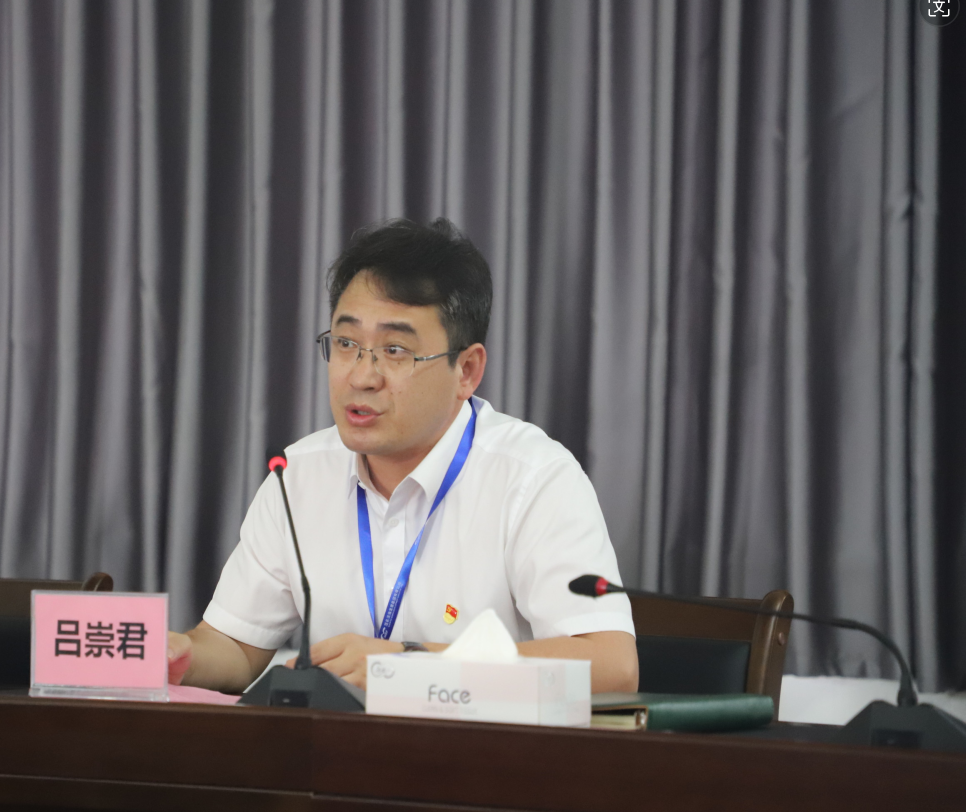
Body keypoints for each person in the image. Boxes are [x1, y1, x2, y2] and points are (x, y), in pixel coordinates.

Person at [167, 218, 637, 694]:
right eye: (346, 344)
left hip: (483, 740)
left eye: (395, 350)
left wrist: (408, 665)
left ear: (467, 370)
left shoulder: (534, 479)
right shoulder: (298, 475)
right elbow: (236, 647)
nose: (361, 376)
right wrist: (176, 655)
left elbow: (612, 665)